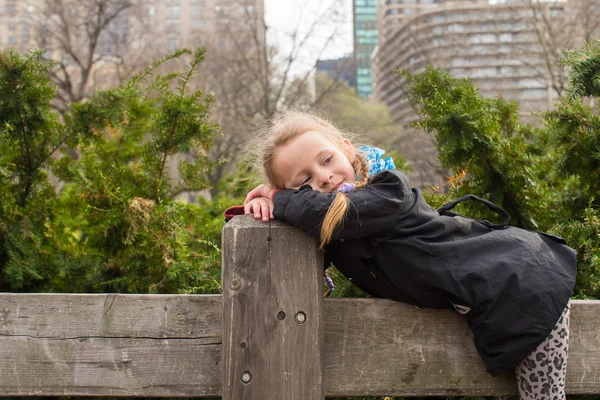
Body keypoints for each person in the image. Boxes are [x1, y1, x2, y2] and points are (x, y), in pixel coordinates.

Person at [239, 110, 576, 400]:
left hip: (524, 282)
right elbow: (316, 226)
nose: (325, 177)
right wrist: (269, 209)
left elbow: (329, 212)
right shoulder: (333, 230)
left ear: (347, 149)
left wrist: (278, 198)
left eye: (327, 160)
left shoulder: (387, 191)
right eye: (305, 182)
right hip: (493, 297)